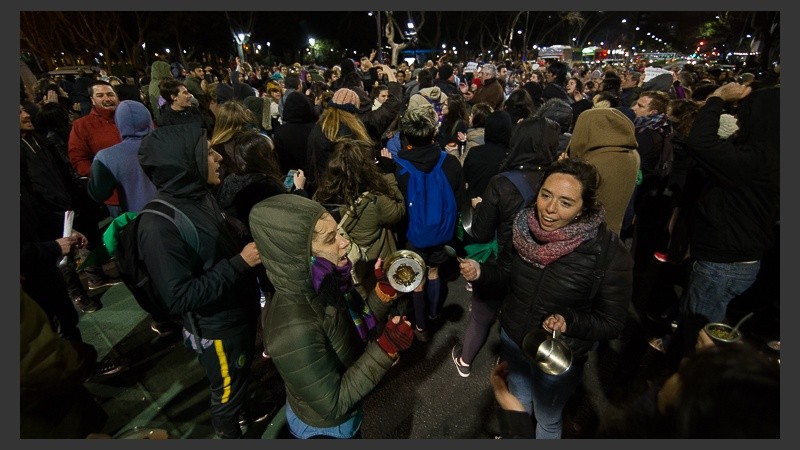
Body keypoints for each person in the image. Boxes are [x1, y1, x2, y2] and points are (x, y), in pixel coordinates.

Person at [460, 157, 632, 439]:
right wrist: (480, 272)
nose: (549, 209)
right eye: (545, 195)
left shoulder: (609, 252)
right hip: (514, 339)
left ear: (583, 209)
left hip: (558, 357)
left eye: (566, 202)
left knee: (548, 419)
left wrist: (569, 321)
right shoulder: (522, 228)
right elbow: (505, 272)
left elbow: (612, 322)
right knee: (519, 402)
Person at [137, 123, 267, 438]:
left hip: (238, 312)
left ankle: (242, 411)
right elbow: (179, 297)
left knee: (238, 376)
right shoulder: (158, 226)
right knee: (225, 394)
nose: (218, 157)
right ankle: (231, 430)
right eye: (207, 152)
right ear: (185, 163)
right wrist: (240, 263)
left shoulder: (197, 195)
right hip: (218, 328)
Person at [249, 194, 415, 439]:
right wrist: (384, 350)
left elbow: (350, 324)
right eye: (330, 239)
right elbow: (333, 404)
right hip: (327, 429)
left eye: (338, 232)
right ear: (301, 256)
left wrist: (381, 294)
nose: (344, 243)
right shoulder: (292, 328)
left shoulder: (325, 282)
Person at [666, 84, 780, 367]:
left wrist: (716, 100)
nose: (739, 120)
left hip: (723, 264)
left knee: (698, 339)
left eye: (744, 113)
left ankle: (684, 391)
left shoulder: (757, 161)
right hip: (735, 258)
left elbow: (699, 142)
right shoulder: (768, 155)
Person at [453, 115, 560, 378]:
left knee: (481, 315)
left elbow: (480, 232)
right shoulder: (557, 180)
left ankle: (465, 360)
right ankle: (506, 361)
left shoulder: (502, 183)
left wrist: (479, 206)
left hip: (504, 263)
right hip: (541, 270)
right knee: (519, 322)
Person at [393, 99, 468, 342]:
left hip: (413, 233)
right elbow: (459, 199)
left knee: (417, 277)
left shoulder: (399, 166)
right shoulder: (449, 161)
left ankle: (421, 324)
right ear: (433, 132)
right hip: (441, 231)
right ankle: (435, 312)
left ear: (407, 135)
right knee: (434, 271)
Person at [312, 139, 405, 298]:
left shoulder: (321, 197)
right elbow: (398, 211)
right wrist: (388, 174)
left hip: (342, 266)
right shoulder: (376, 198)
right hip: (372, 265)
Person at [566, 108, 639, 236]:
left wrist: (565, 166)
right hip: (612, 231)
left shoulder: (593, 164)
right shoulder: (631, 154)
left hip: (585, 235)